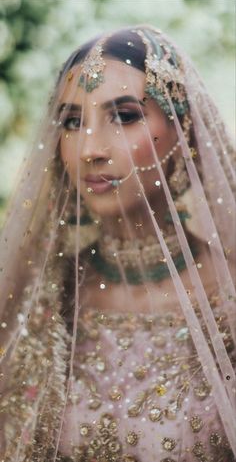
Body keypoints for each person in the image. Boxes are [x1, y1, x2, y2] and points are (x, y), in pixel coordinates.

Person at [0, 24, 235, 462]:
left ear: (183, 131)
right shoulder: (41, 296)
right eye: (72, 121)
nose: (91, 148)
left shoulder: (230, 296)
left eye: (125, 116)